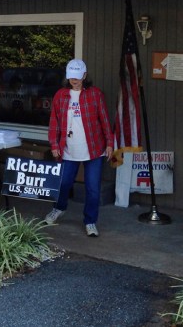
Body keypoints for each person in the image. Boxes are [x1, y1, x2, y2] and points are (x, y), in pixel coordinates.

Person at [44, 59, 113, 237]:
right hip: (68, 149)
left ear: (84, 75)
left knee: (92, 188)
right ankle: (59, 208)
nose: (74, 80)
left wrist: (110, 143)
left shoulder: (95, 94)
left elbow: (105, 120)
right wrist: (54, 143)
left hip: (94, 149)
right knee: (64, 182)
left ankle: (90, 221)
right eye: (71, 77)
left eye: (77, 76)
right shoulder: (60, 95)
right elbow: (54, 122)